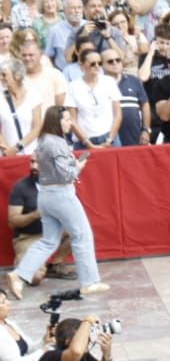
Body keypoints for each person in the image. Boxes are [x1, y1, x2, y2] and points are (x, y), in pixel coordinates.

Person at [5, 107, 101, 299]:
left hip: (46, 195)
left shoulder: (42, 141)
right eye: (66, 119)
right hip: (61, 194)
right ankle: (89, 282)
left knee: (49, 241)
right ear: (57, 121)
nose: (70, 123)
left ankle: (19, 274)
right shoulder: (57, 143)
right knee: (82, 235)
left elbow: (56, 169)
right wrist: (78, 167)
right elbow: (66, 174)